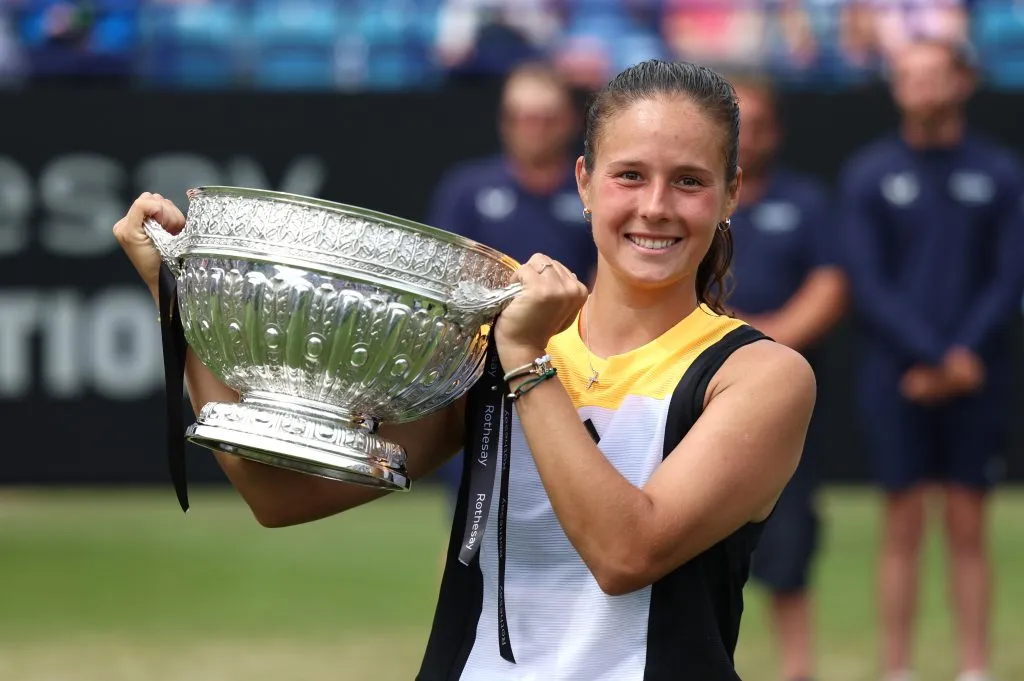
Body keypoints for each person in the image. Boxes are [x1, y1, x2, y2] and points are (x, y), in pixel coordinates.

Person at [113, 59, 817, 680]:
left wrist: (526, 361)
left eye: (689, 181)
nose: (655, 206)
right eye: (629, 174)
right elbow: (278, 498)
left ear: (730, 194)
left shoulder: (758, 375)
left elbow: (625, 552)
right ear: (586, 181)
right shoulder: (487, 350)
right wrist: (179, 297)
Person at [838, 37, 1024, 681]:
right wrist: (929, 356)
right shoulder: (868, 174)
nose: (917, 89)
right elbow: (867, 280)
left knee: (970, 524)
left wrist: (961, 355)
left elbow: (1008, 277)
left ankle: (974, 667)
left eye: (930, 76)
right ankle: (898, 668)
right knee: (903, 524)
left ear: (961, 82)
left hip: (978, 374)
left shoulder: (998, 173)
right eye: (906, 77)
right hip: (899, 376)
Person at [426, 60, 598, 510]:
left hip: (574, 372)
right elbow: (447, 277)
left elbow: (607, 277)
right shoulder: (467, 188)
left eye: (544, 117)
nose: (532, 128)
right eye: (521, 116)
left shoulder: (593, 192)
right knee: (471, 522)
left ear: (568, 121)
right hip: (478, 374)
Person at [727, 75, 848, 681]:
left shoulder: (806, 202)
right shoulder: (692, 199)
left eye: (760, 124)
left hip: (784, 407)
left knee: (790, 541)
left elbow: (831, 286)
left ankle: (797, 669)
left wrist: (761, 346)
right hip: (694, 397)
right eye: (738, 125)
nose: (750, 139)